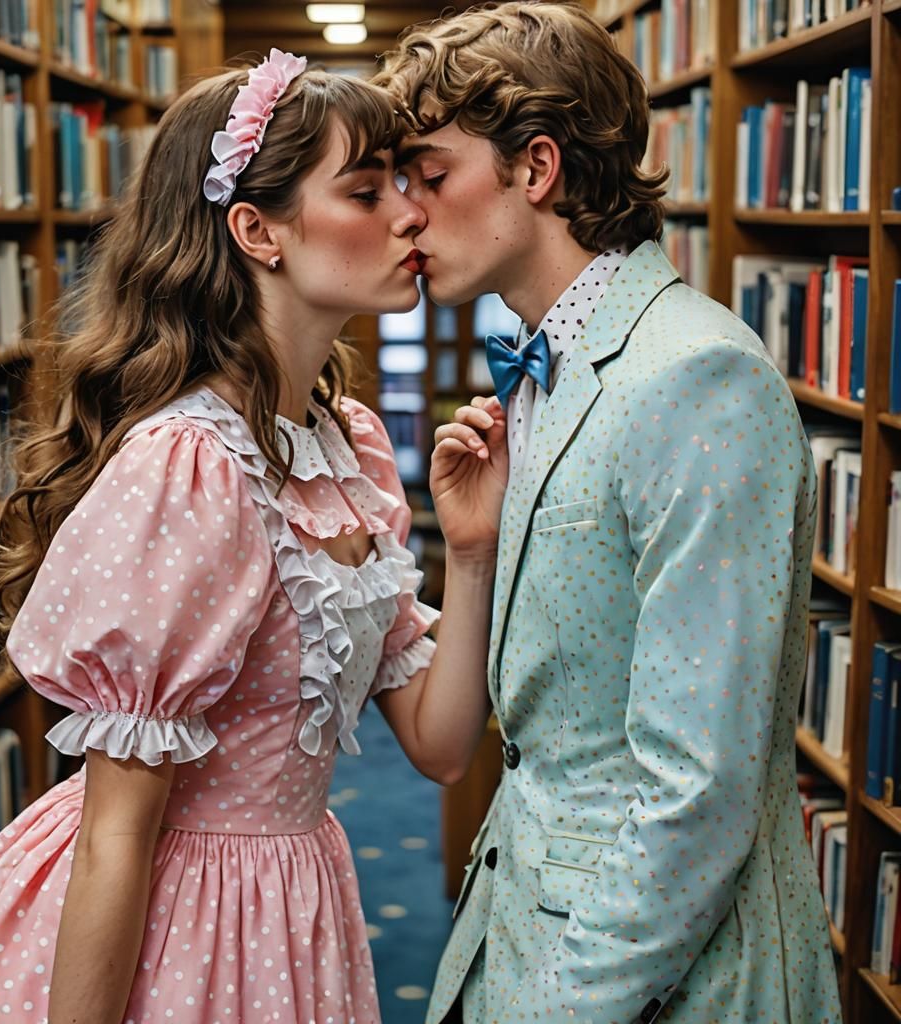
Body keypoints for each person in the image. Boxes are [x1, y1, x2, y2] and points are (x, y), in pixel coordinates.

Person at [0, 51, 505, 1024]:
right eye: (365, 189)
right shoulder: (191, 464)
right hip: (177, 923)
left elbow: (441, 744)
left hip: (293, 907)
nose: (411, 214)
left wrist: (468, 553)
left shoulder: (348, 449)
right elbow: (116, 833)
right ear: (256, 229)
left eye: (409, 185)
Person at [375, 4, 844, 1023]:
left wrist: (558, 1007)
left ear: (535, 168)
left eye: (431, 172)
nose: (404, 213)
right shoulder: (551, 367)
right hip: (526, 931)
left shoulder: (698, 376)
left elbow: (698, 790)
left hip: (653, 981)